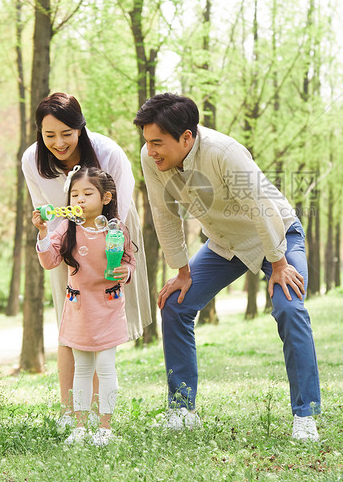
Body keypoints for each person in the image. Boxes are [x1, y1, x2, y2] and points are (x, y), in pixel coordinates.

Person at [134, 92, 322, 442]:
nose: (151, 150)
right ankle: (181, 409)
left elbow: (261, 207)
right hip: (225, 243)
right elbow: (164, 213)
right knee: (175, 305)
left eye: (158, 142)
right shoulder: (151, 158)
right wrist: (182, 271)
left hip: (277, 235)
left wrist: (279, 262)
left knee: (289, 307)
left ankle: (305, 414)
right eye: (147, 141)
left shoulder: (224, 153)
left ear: (186, 137)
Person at [21, 92, 151, 422]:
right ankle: (71, 410)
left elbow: (117, 213)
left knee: (100, 324)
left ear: (80, 128)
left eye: (66, 133)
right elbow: (45, 213)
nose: (58, 143)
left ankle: (97, 410)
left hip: (109, 234)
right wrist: (57, 241)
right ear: (40, 133)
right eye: (49, 135)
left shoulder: (109, 153)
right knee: (70, 323)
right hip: (63, 238)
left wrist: (115, 257)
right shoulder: (31, 160)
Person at [33, 167, 135, 446]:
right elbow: (49, 260)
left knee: (105, 367)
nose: (79, 199)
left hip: (108, 307)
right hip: (79, 308)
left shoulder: (115, 229)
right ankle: (80, 426)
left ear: (105, 198)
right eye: (74, 194)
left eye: (87, 194)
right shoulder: (67, 228)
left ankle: (105, 428)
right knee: (82, 368)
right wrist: (43, 231)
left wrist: (125, 272)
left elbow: (129, 262)